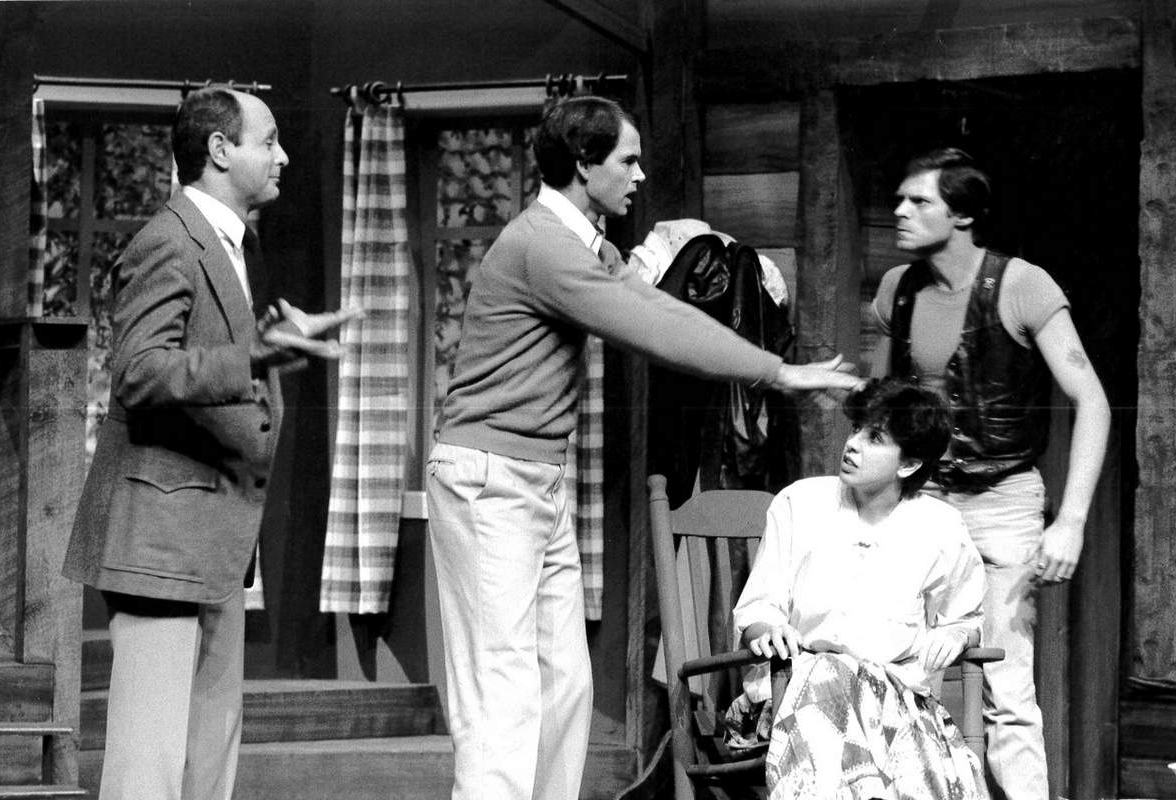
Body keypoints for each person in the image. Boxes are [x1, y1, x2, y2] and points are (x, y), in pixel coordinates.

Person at [424, 95, 864, 800]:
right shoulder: (543, 245)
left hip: (537, 478)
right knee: (501, 694)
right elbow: (650, 328)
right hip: (489, 477)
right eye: (626, 160)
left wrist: (770, 363)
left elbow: (660, 306)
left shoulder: (588, 247)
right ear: (583, 163)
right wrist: (776, 372)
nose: (639, 175)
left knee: (565, 684)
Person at [62, 87, 360, 800]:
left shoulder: (231, 244)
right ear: (220, 150)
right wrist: (252, 356)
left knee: (207, 759)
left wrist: (267, 349)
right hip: (162, 539)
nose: (283, 156)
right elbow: (138, 372)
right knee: (149, 767)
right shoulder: (169, 241)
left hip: (213, 539)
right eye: (269, 140)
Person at [869, 147, 1111, 800]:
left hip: (1003, 500)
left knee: (1007, 687)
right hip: (922, 501)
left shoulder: (1022, 285)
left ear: (964, 214)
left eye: (919, 201)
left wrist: (1072, 521)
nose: (900, 211)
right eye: (900, 198)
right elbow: (881, 408)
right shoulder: (898, 289)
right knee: (897, 668)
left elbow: (1092, 401)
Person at [733, 378, 988, 800]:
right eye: (856, 429)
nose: (852, 444)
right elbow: (759, 608)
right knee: (828, 674)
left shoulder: (940, 526)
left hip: (893, 703)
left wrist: (958, 634)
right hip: (793, 693)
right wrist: (767, 630)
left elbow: (966, 617)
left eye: (874, 438)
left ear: (908, 465)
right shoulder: (800, 503)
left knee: (921, 758)